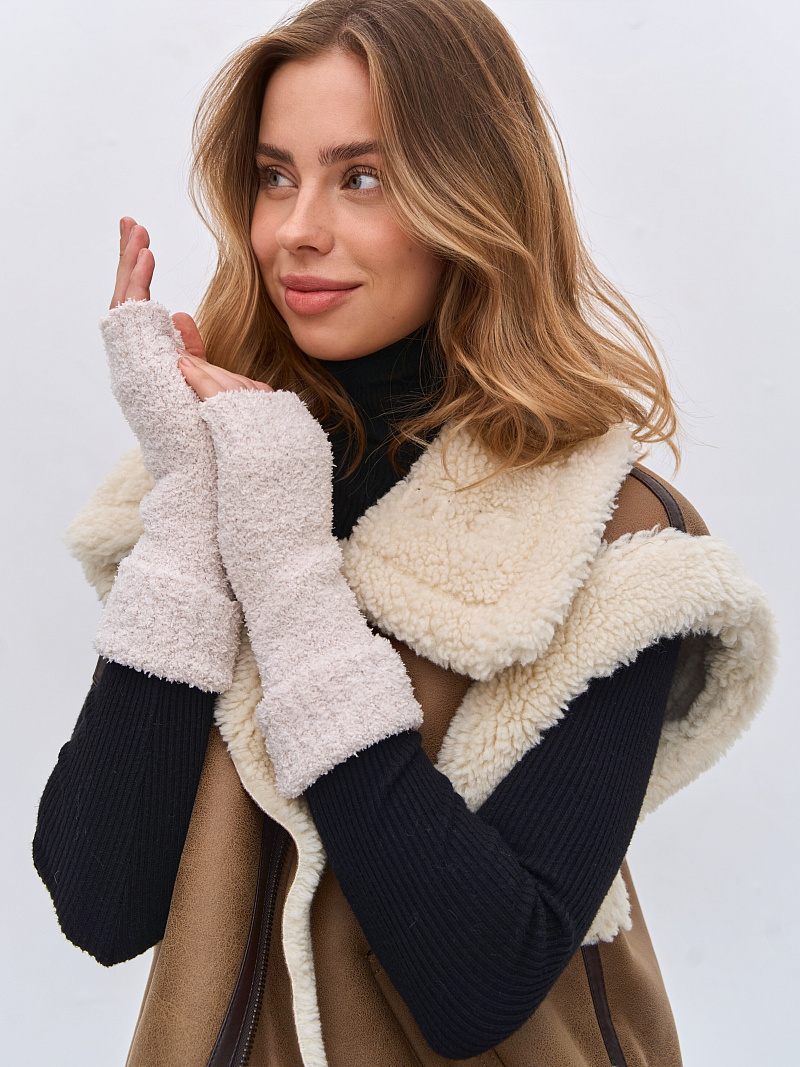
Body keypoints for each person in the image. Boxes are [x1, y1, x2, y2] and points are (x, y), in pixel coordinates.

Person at [33, 1, 776, 1064]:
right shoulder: (222, 478)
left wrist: (288, 566)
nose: (296, 229)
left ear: (472, 196)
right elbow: (102, 905)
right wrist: (196, 498)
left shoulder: (613, 540)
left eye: (363, 178)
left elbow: (479, 982)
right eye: (275, 175)